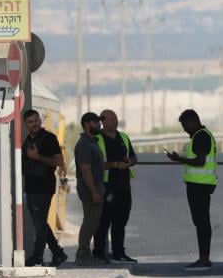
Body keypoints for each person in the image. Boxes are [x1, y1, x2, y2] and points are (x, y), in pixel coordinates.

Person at [167, 109, 217, 271]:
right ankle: (204, 258)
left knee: (202, 222)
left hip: (199, 185)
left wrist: (179, 159)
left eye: (184, 125)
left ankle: (204, 259)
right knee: (201, 222)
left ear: (192, 122)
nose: (184, 129)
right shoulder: (201, 135)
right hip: (200, 184)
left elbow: (200, 161)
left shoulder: (201, 136)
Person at [21, 109, 68, 267]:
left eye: (36, 120)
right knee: (40, 223)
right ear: (26, 124)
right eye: (30, 122)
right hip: (30, 187)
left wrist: (38, 157)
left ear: (40, 121)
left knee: (39, 223)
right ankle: (57, 252)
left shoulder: (49, 138)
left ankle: (37, 256)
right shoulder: (27, 141)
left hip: (44, 187)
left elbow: (59, 161)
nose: (34, 124)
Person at [94, 109, 138, 263]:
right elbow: (94, 164)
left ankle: (119, 253)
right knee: (103, 222)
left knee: (120, 222)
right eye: (111, 119)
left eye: (116, 118)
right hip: (106, 186)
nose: (115, 121)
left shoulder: (123, 137)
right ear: (103, 122)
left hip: (123, 187)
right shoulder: (97, 139)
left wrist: (129, 162)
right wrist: (114, 164)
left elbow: (134, 157)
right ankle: (99, 253)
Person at [73, 112, 107, 265]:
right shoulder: (84, 144)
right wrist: (94, 191)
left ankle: (86, 253)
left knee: (94, 220)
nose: (99, 125)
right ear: (87, 124)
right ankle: (82, 253)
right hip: (89, 186)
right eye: (96, 123)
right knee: (90, 220)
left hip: (96, 184)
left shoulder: (93, 142)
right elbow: (85, 169)